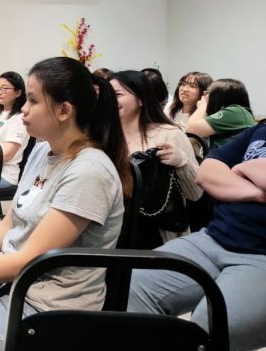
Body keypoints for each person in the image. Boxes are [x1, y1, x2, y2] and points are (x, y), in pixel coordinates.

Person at [0, 56, 131, 350]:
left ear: (64, 110)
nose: (24, 110)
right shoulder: (43, 151)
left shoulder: (90, 171)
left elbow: (26, 260)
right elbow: (9, 224)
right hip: (12, 288)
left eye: (32, 101)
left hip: (46, 313)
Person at [128, 122, 266, 351]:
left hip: (260, 258)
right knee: (128, 284)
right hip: (212, 239)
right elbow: (206, 174)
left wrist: (241, 169)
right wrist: (256, 191)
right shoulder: (261, 130)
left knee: (206, 328)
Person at [111, 70, 202, 245]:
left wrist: (181, 162)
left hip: (156, 233)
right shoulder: (103, 136)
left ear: (141, 99)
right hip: (112, 230)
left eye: (118, 94)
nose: (110, 100)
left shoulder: (169, 134)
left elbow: (195, 194)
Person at [0, 71, 30, 195]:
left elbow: (7, 154)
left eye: (4, 88)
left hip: (4, 175)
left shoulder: (20, 119)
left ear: (18, 93)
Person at [186, 78, 255, 149]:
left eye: (208, 93)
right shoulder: (235, 114)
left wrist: (203, 105)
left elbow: (190, 131)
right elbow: (189, 140)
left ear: (218, 96)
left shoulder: (236, 112)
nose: (204, 97)